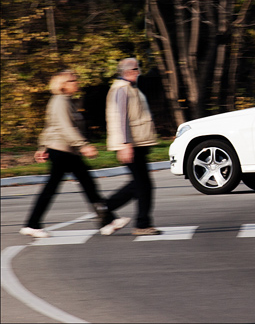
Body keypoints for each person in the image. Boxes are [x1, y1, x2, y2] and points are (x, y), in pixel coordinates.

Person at [20, 70, 122, 238]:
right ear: (63, 85)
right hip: (63, 151)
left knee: (85, 186)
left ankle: (107, 221)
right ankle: (32, 224)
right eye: (72, 80)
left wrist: (42, 146)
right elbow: (66, 127)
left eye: (76, 79)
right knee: (80, 186)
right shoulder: (61, 101)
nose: (76, 83)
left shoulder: (65, 101)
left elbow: (50, 126)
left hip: (64, 150)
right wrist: (83, 145)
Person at [101, 58, 161, 236]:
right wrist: (125, 144)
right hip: (131, 144)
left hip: (138, 143)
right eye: (136, 69)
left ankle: (105, 207)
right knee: (143, 185)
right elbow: (121, 119)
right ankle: (142, 224)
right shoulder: (121, 90)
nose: (139, 72)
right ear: (128, 71)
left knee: (140, 185)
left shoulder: (129, 88)